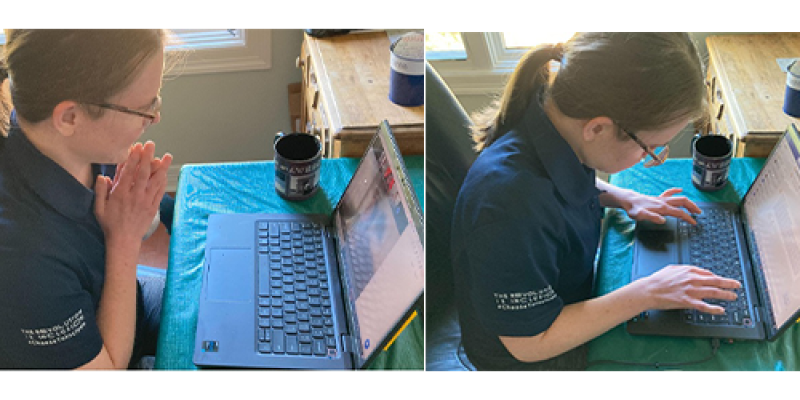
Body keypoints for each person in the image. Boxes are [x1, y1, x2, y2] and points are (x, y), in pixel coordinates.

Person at [451, 32, 742, 370]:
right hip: (528, 355)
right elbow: (530, 343)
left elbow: (566, 178)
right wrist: (648, 293)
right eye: (650, 149)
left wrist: (626, 198)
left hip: (564, 292)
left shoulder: (554, 119)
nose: (654, 158)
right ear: (598, 128)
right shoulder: (508, 206)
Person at [0, 30, 176, 369]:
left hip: (118, 302)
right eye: (143, 108)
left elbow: (133, 224)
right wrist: (123, 239)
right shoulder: (22, 259)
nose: (154, 118)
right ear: (69, 117)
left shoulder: (79, 148)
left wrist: (138, 210)